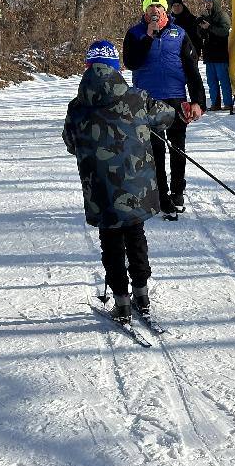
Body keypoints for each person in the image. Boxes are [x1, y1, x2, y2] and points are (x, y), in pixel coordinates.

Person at [63, 40, 176, 323]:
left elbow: (70, 142)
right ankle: (142, 294)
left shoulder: (76, 107)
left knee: (110, 241)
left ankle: (122, 302)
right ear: (117, 68)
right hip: (136, 186)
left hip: (100, 188)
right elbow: (167, 115)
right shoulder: (136, 98)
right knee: (135, 236)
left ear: (88, 67)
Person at [123, 0, 206, 218]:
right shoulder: (135, 33)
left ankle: (178, 192)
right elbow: (131, 63)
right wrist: (148, 37)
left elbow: (192, 71)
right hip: (147, 101)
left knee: (178, 149)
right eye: (150, 6)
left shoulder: (179, 34)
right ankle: (162, 196)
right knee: (155, 152)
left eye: (158, 5)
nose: (155, 10)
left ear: (165, 9)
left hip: (176, 101)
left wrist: (198, 101)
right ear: (144, 10)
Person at [197, 0, 233, 111]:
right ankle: (215, 103)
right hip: (209, 54)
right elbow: (200, 35)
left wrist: (210, 27)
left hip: (220, 54)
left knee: (223, 80)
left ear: (215, 3)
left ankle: (228, 103)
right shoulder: (205, 16)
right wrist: (200, 27)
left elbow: (224, 31)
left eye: (210, 2)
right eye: (206, 2)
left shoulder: (222, 15)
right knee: (211, 82)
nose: (207, 4)